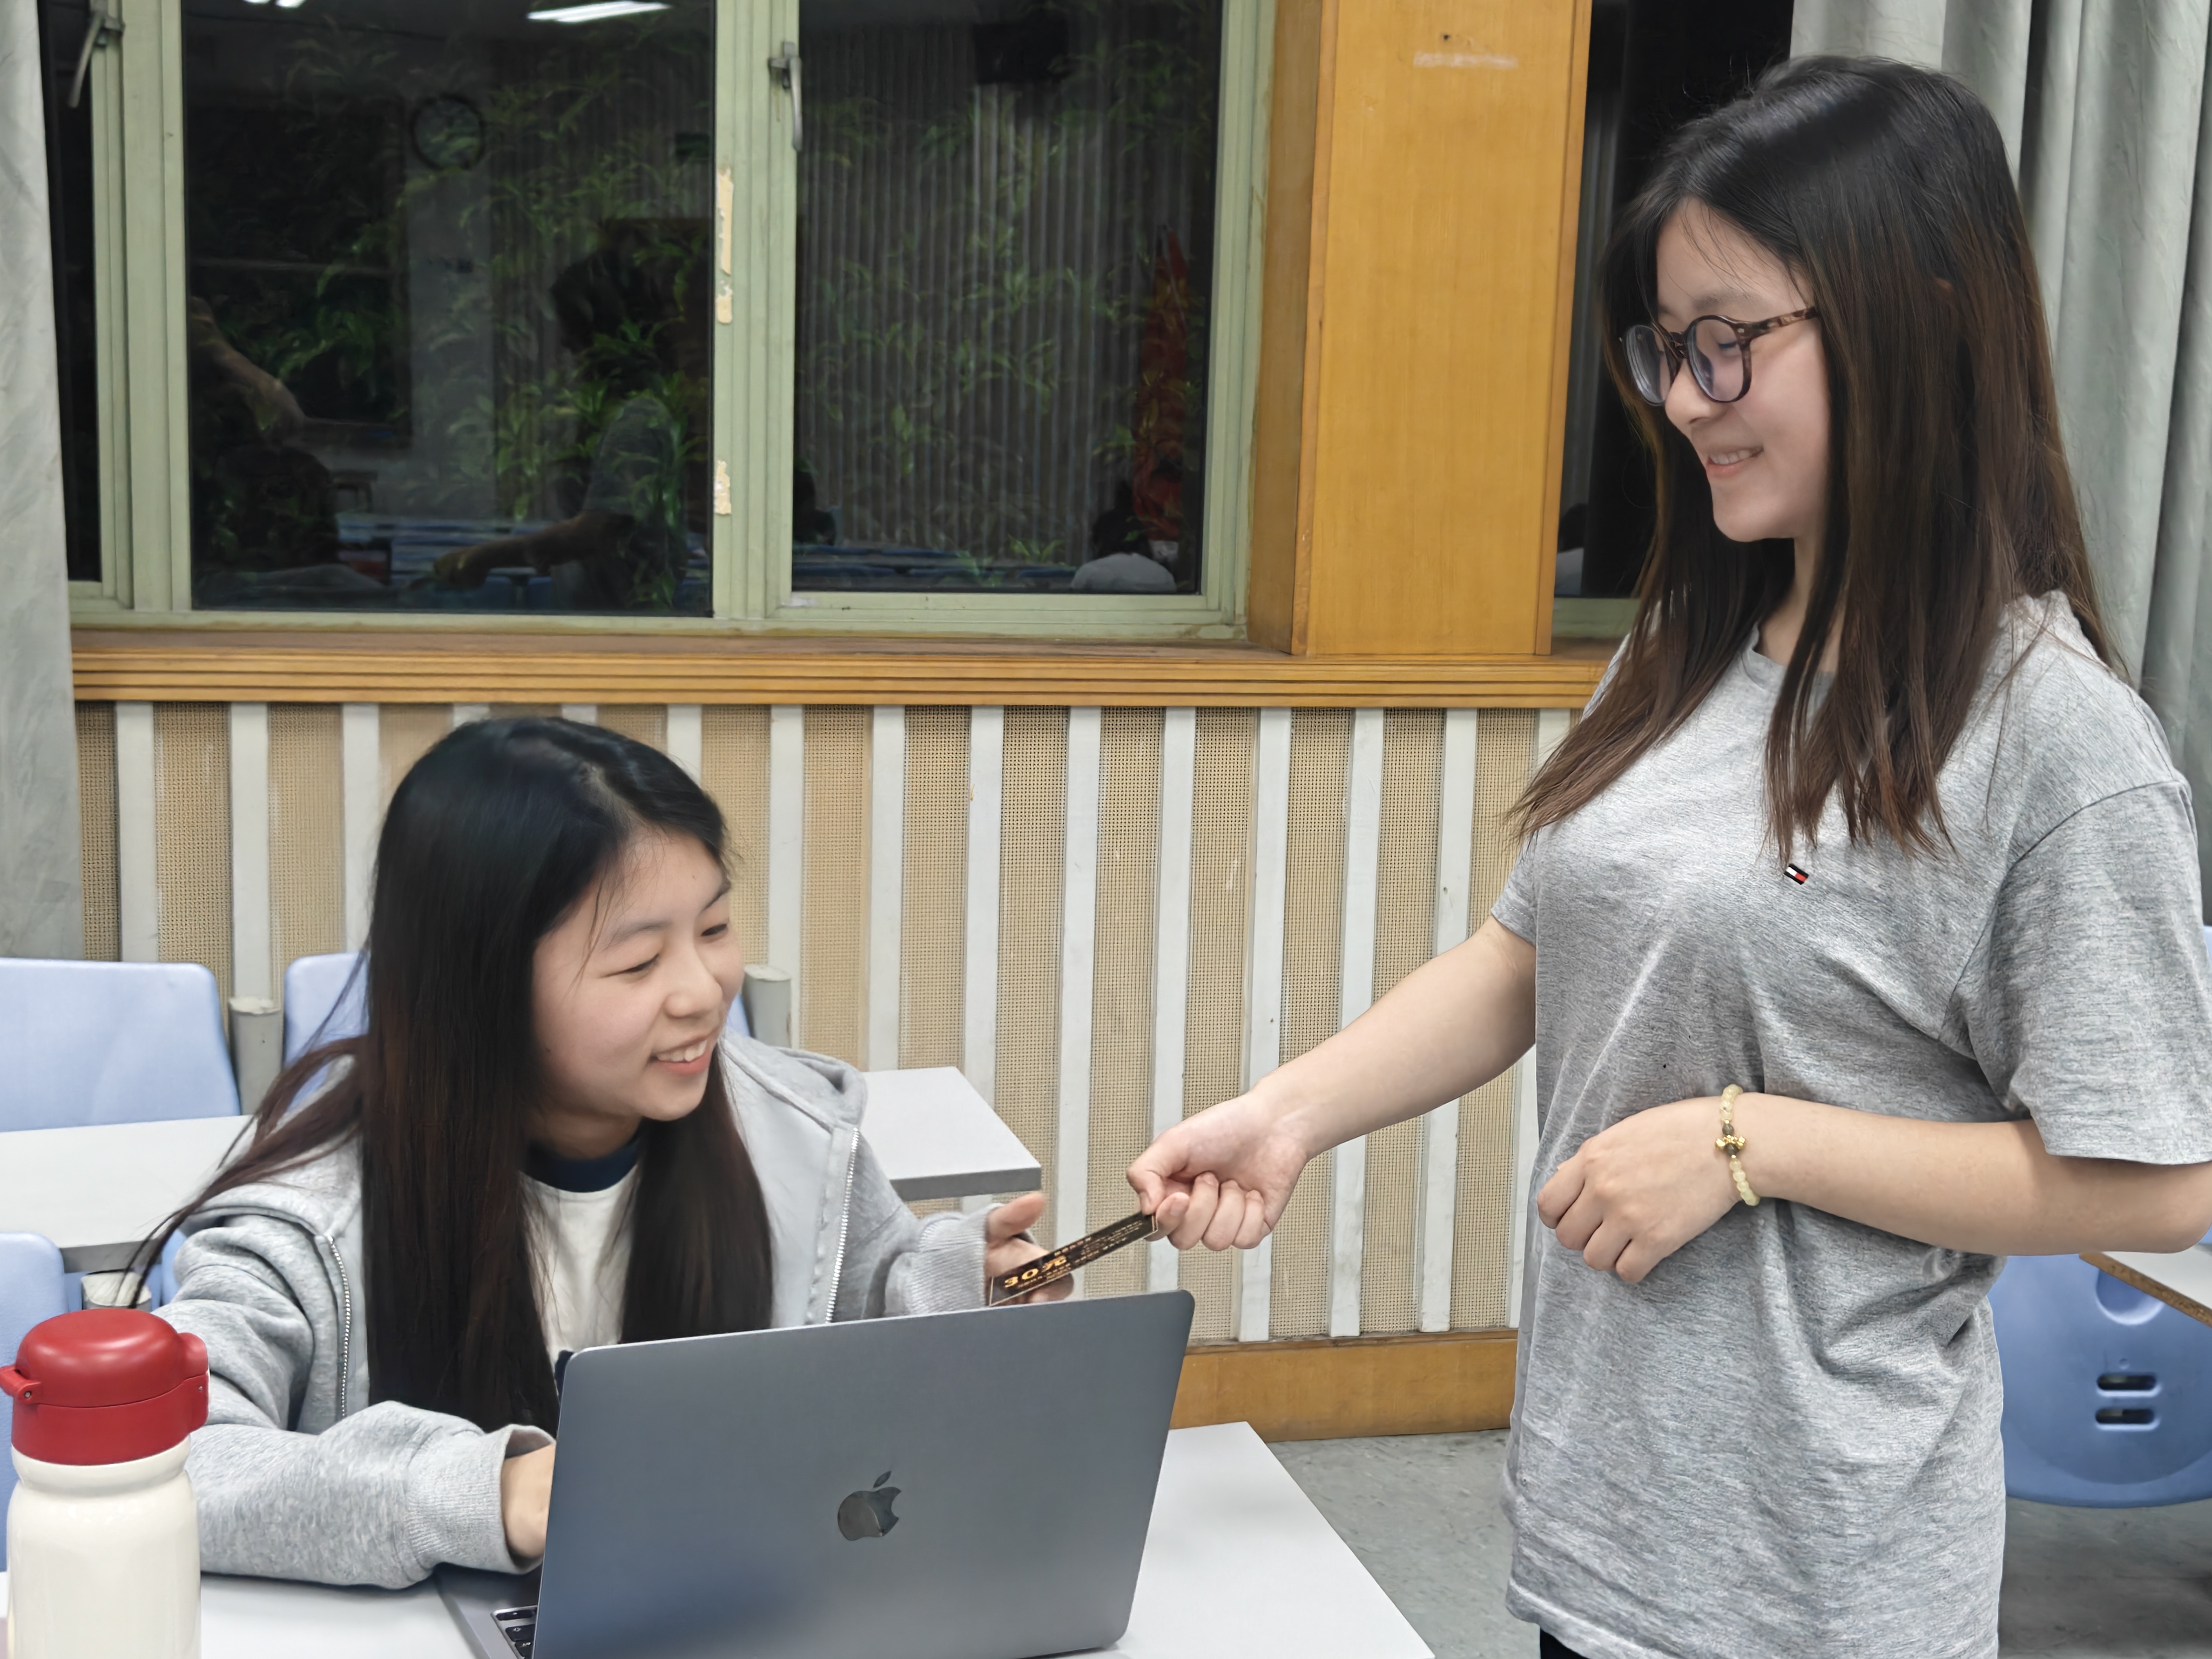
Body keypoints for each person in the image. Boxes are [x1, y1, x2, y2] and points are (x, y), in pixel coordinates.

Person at [1127, 57, 2212, 1659]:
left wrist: (1749, 1140)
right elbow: (1522, 955)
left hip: (1821, 1583)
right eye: (1666, 347)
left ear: (1917, 320)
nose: (1687, 397)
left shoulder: (2056, 742)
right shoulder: (1690, 645)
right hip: (1603, 1525)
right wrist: (1288, 1112)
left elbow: (2158, 1180)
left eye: (1729, 342)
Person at [152, 718, 1059, 1589]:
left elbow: (860, 1319)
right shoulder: (310, 1223)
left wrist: (960, 1288)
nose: (703, 991)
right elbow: (172, 1464)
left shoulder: (799, 1137)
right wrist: (491, 1494)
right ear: (481, 988)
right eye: (637, 964)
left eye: (714, 930)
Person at [435, 231, 706, 611]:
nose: (565, 345)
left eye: (573, 331)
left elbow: (594, 532)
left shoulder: (638, 420)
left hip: (622, 626)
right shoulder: (617, 414)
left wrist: (483, 558)